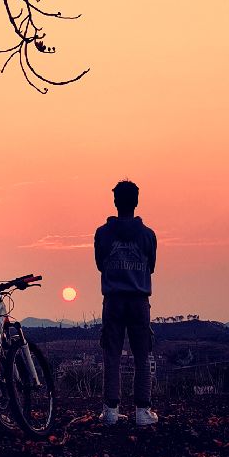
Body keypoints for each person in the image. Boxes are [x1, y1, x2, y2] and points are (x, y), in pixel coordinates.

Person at [94, 179, 158, 427]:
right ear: (137, 201)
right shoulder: (148, 235)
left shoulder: (102, 233)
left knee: (112, 355)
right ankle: (143, 411)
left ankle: (110, 411)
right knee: (142, 355)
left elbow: (100, 263)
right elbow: (151, 266)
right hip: (139, 300)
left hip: (113, 300)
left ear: (115, 202)